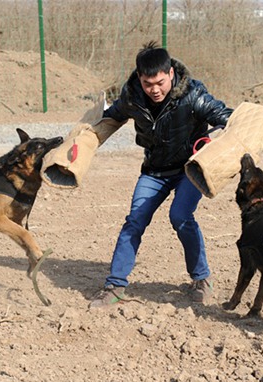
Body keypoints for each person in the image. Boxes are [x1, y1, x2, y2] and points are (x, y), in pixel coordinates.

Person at [89, 41, 233, 308]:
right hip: (154, 171)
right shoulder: (132, 96)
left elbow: (226, 117)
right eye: (147, 83)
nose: (154, 90)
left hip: (190, 168)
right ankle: (115, 285)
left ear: (170, 73)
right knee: (135, 220)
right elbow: (112, 116)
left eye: (159, 82)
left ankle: (201, 279)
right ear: (140, 79)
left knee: (179, 216)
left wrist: (233, 141)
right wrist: (84, 137)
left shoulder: (193, 94)